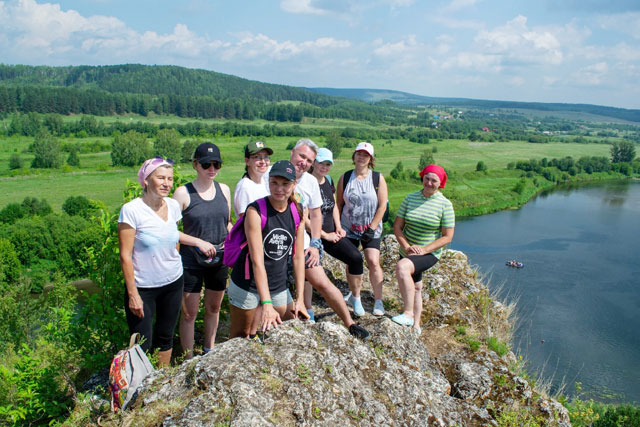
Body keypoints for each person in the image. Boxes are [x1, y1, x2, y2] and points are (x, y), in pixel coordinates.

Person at [289, 139, 370, 340]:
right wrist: (322, 237)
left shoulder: (311, 183)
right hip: (281, 243)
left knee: (323, 281)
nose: (304, 162)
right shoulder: (276, 174)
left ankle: (350, 323)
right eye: (302, 156)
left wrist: (317, 243)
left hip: (305, 241)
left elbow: (316, 213)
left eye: (309, 159)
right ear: (292, 152)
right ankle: (302, 310)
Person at [228, 161, 308, 338]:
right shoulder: (255, 211)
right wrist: (266, 303)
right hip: (247, 284)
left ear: (294, 185)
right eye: (274, 183)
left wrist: (300, 299)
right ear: (268, 182)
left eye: (285, 184)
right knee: (241, 335)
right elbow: (257, 261)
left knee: (285, 328)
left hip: (278, 283)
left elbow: (297, 257)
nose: (279, 189)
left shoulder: (298, 211)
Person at [118, 157, 183, 367]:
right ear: (146, 180)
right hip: (144, 287)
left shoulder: (173, 205)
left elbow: (174, 239)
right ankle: (140, 386)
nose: (167, 183)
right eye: (161, 178)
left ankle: (161, 381)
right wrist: (133, 294)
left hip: (173, 282)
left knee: (166, 335)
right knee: (142, 342)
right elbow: (125, 256)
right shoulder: (131, 210)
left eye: (170, 179)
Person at [172, 143, 231, 359]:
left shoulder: (224, 189)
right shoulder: (183, 193)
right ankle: (188, 359)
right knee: (189, 313)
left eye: (217, 164)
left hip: (219, 257)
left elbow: (227, 223)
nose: (212, 169)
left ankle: (209, 349)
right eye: (206, 164)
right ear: (195, 164)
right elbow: (170, 230)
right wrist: (198, 242)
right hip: (191, 260)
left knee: (214, 308)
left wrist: (236, 242)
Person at [391, 165, 455, 334]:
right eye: (427, 178)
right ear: (422, 178)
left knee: (402, 267)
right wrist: (406, 247)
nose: (429, 183)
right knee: (417, 287)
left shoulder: (445, 205)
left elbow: (447, 236)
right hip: (407, 250)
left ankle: (408, 313)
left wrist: (424, 250)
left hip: (429, 253)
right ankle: (416, 325)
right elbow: (397, 227)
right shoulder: (410, 198)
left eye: (434, 180)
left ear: (440, 183)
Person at [309, 148, 365, 321]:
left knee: (355, 257)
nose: (324, 167)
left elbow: (333, 205)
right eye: (321, 163)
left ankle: (356, 297)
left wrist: (339, 227)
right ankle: (307, 307)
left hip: (331, 232)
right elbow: (303, 217)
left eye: (328, 164)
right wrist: (324, 235)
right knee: (308, 270)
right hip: (312, 235)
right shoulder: (305, 182)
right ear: (313, 162)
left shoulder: (328, 180)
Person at [336, 142, 388, 317]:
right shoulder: (345, 177)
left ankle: (378, 300)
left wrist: (372, 228)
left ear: (370, 159)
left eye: (365, 155)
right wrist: (338, 226)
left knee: (373, 261)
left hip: (370, 228)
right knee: (352, 260)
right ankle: (355, 297)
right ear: (354, 156)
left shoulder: (377, 178)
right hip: (348, 227)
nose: (361, 157)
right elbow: (339, 204)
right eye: (358, 154)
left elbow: (382, 206)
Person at [233, 141, 273, 219]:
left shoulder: (263, 182)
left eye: (266, 157)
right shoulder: (245, 186)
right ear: (247, 161)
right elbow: (245, 220)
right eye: (257, 157)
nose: (263, 161)